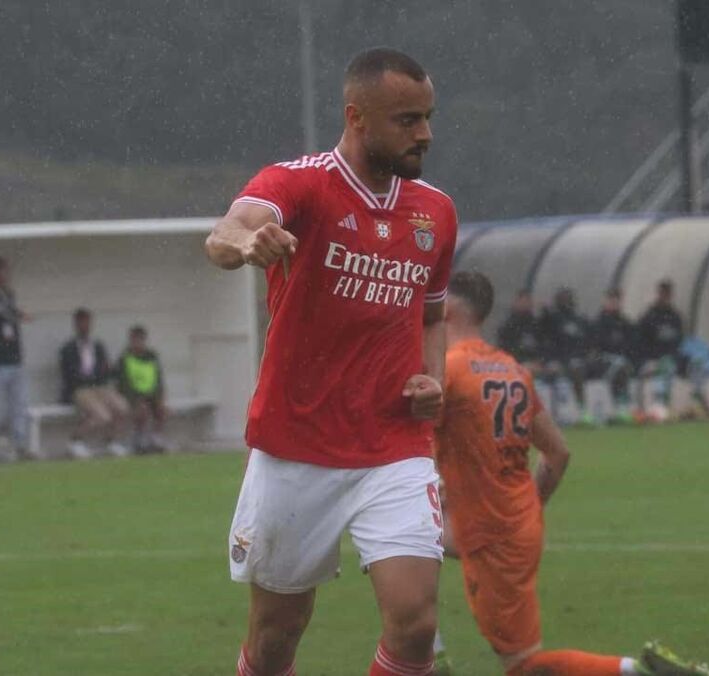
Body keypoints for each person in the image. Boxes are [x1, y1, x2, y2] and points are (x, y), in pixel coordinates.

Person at [205, 48, 457, 676]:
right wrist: (249, 241)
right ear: (357, 118)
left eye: (427, 117)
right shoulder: (302, 183)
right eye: (407, 119)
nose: (424, 133)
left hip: (394, 444)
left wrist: (433, 376)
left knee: (416, 625)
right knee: (274, 641)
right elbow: (225, 232)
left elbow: (431, 312)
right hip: (296, 446)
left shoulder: (435, 212)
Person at [431, 271, 709, 676]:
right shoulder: (510, 368)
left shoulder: (449, 370)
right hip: (514, 525)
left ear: (447, 308)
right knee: (403, 536)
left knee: (525, 667)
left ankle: (642, 672)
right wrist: (525, 508)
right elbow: (558, 454)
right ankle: (428, 656)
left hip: (492, 530)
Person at [0, 255, 35, 461]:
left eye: (5, 271)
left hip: (14, 360)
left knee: (19, 405)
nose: (3, 276)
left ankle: (20, 445)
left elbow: (11, 314)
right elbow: (3, 312)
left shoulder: (10, 295)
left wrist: (18, 314)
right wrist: (20, 315)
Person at [59, 308, 129, 459]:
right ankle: (75, 441)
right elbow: (69, 375)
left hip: (99, 387)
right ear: (75, 325)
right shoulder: (68, 349)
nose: (85, 326)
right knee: (103, 416)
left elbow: (105, 371)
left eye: (87, 322)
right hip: (80, 389)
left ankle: (112, 442)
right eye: (81, 323)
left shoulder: (98, 346)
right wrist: (89, 378)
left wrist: (113, 369)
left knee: (122, 407)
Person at [636, 280, 706, 416]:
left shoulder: (675, 316)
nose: (666, 297)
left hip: (674, 358)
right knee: (665, 365)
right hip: (655, 359)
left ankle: (697, 401)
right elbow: (641, 343)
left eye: (668, 294)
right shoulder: (649, 317)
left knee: (697, 362)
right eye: (663, 293)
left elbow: (680, 341)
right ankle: (661, 405)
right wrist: (648, 360)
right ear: (658, 294)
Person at [586, 288, 637, 423]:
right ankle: (619, 407)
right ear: (606, 301)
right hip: (601, 361)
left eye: (617, 300)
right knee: (620, 367)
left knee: (623, 366)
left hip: (621, 361)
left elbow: (632, 345)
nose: (614, 303)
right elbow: (594, 347)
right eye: (611, 300)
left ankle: (623, 407)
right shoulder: (598, 322)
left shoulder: (625, 323)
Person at [119, 325, 170, 454]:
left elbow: (158, 378)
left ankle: (156, 437)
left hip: (151, 394)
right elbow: (124, 383)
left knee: (161, 407)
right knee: (142, 409)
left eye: (140, 339)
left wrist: (160, 395)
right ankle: (139, 438)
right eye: (134, 340)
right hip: (134, 395)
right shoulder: (125, 358)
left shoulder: (152, 356)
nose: (137, 343)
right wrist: (136, 397)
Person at [497, 289, 544, 371]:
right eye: (522, 301)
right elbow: (504, 349)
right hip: (513, 367)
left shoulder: (536, 325)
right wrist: (521, 363)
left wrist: (538, 361)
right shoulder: (508, 325)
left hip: (534, 367)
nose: (525, 304)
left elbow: (541, 346)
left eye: (527, 301)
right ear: (516, 303)